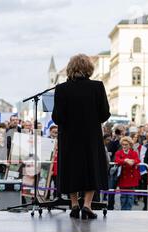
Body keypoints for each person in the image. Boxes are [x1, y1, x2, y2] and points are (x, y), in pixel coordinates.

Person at [51, 54, 111, 219]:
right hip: (91, 137)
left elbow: (57, 117)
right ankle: (87, 205)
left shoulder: (62, 89)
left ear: (70, 69)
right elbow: (105, 114)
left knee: (71, 168)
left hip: (69, 137)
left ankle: (74, 204)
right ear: (89, 69)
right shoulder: (97, 87)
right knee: (92, 168)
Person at [115, 137, 140, 210]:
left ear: (130, 145)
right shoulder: (118, 152)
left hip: (132, 178)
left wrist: (133, 161)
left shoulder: (134, 153)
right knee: (123, 196)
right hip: (123, 178)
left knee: (130, 197)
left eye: (126, 144)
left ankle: (128, 211)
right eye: (123, 144)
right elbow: (117, 160)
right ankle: (123, 211)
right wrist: (125, 160)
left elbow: (138, 160)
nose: (124, 146)